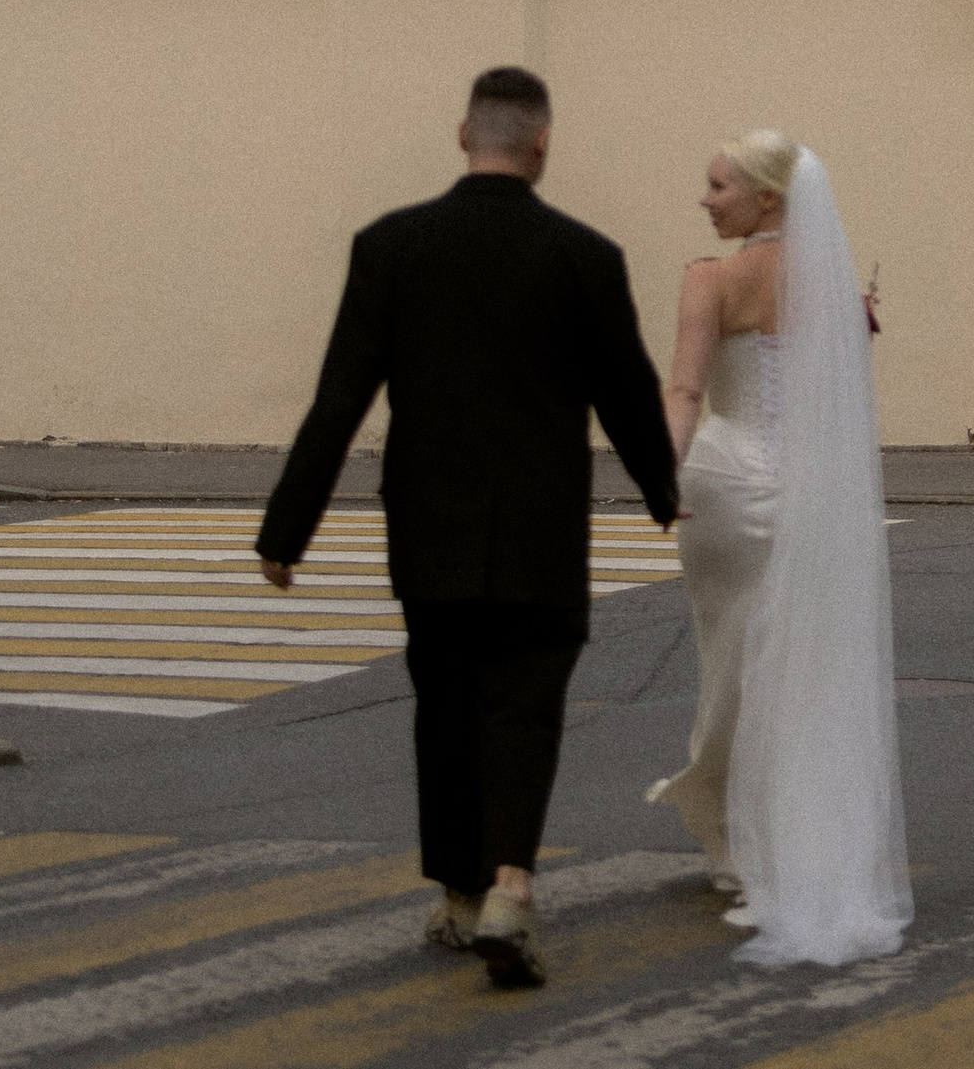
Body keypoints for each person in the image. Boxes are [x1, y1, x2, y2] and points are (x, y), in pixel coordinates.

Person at [256, 63, 678, 991]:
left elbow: (340, 397)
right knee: (523, 706)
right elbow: (630, 393)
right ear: (542, 144)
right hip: (540, 535)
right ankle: (512, 888)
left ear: (461, 135)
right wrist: (663, 492)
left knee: (445, 709)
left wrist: (286, 530)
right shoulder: (585, 256)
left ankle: (456, 896)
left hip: (430, 531)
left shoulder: (391, 246)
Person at [651, 129, 909, 968]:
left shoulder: (709, 278)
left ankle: (729, 838)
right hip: (815, 498)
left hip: (727, 484)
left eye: (719, 184)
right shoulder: (831, 283)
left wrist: (664, 476)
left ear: (767, 197)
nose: (705, 197)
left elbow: (686, 387)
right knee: (808, 671)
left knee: (729, 661)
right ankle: (801, 839)